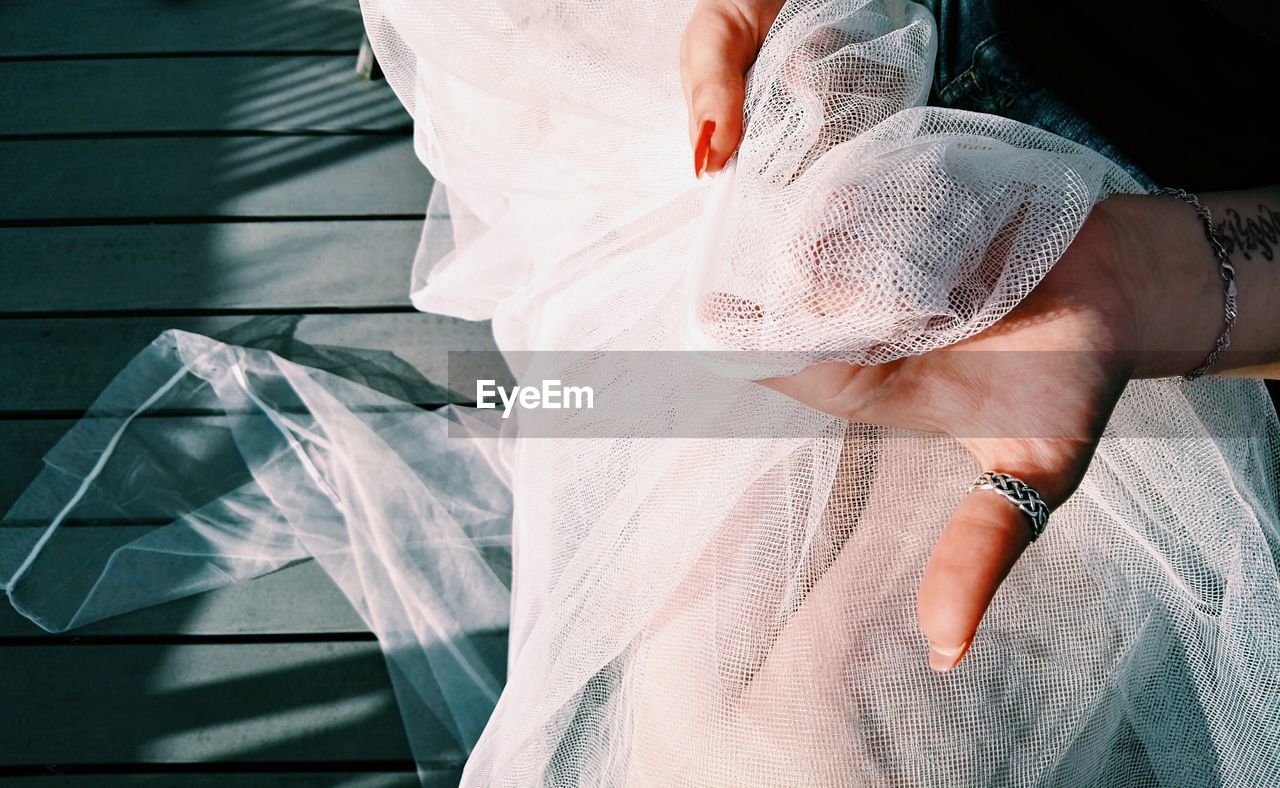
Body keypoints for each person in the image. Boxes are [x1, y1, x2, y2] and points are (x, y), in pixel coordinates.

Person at [680, 0, 1280, 672]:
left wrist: (1144, 280)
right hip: (892, 63)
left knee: (817, 713)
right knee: (700, 647)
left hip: (1192, 228)